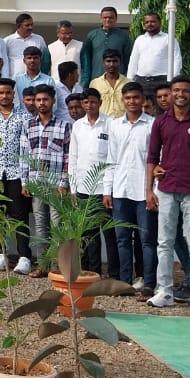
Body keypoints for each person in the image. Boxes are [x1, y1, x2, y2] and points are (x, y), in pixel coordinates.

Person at [145, 75, 190, 314]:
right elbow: (152, 158)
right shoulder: (161, 122)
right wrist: (149, 190)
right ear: (171, 93)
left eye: (185, 91)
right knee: (164, 243)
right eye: (176, 90)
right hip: (166, 190)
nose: (180, 94)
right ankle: (164, 290)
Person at [103, 82, 152, 288]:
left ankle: (148, 281)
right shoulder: (114, 125)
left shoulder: (152, 124)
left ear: (143, 100)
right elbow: (111, 158)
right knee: (122, 238)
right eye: (128, 98)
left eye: (136, 97)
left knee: (146, 239)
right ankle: (125, 281)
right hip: (120, 190)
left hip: (143, 191)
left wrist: (153, 191)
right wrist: (107, 190)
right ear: (123, 100)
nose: (132, 101)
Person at [18, 85, 71, 275]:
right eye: (38, 100)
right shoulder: (28, 126)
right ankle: (42, 264)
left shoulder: (64, 126)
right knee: (40, 225)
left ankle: (57, 266)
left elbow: (67, 157)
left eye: (45, 100)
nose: (41, 103)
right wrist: (24, 182)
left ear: (53, 101)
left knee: (57, 224)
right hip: (36, 182)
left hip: (56, 183)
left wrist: (64, 183)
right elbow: (24, 155)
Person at [0, 80, 32, 273]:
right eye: (1, 92)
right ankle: (1, 253)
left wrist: (26, 179)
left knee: (19, 216)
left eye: (8, 93)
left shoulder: (24, 117)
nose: (4, 96)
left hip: (16, 174)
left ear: (13, 94)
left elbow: (26, 148)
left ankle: (24, 257)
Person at [71, 88, 112, 275]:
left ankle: (105, 272)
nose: (89, 105)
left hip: (103, 187)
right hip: (82, 187)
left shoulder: (110, 124)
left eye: (93, 102)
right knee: (86, 232)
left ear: (100, 102)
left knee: (105, 232)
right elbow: (73, 157)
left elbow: (112, 158)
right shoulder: (77, 126)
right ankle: (86, 271)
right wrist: (73, 187)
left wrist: (108, 189)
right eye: (85, 102)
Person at [80, 7, 133, 88]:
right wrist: (85, 81)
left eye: (111, 17)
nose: (108, 20)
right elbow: (86, 60)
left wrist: (126, 76)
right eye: (105, 17)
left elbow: (128, 58)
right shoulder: (92, 35)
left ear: (116, 19)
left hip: (119, 80)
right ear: (101, 18)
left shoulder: (123, 36)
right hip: (97, 79)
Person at [127, 12, 183, 85]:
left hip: (162, 80)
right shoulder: (139, 39)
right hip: (141, 80)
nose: (149, 24)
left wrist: (173, 79)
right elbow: (133, 60)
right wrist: (129, 79)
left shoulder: (169, 39)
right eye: (147, 22)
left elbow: (177, 59)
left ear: (160, 23)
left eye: (153, 22)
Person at [14, 47, 67, 121]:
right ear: (24, 61)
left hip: (42, 120)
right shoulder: (16, 79)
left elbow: (53, 104)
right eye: (29, 58)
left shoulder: (48, 80)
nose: (32, 60)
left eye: (35, 58)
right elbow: (15, 102)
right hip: (20, 120)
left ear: (40, 60)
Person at [4, 13, 50, 78]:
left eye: (31, 25)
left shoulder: (39, 39)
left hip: (35, 80)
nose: (30, 27)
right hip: (14, 80)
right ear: (18, 26)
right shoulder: (7, 41)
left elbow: (45, 60)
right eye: (27, 25)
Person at [89, 50, 129, 118]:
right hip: (102, 123)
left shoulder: (128, 83)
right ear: (103, 63)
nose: (111, 64)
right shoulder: (95, 83)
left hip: (123, 122)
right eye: (108, 61)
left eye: (115, 61)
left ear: (120, 62)